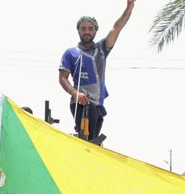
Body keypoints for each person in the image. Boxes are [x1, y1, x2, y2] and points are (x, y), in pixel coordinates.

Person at [58, 1, 135, 143]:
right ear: (78, 30)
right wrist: (75, 93)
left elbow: (116, 28)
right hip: (83, 103)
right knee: (88, 141)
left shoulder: (102, 49)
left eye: (90, 28)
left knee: (94, 141)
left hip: (98, 104)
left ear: (95, 31)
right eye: (83, 28)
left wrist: (128, 9)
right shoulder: (71, 53)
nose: (86, 31)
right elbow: (62, 78)